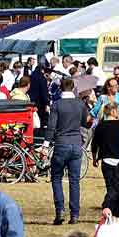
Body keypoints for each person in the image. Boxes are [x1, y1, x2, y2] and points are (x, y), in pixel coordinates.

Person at [45, 78, 90, 225]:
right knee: (74, 180)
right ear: (73, 88)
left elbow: (51, 126)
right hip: (76, 144)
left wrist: (45, 144)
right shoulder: (80, 103)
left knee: (56, 177)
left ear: (60, 89)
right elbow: (85, 122)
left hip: (61, 143)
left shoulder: (57, 104)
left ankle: (60, 210)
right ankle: (75, 214)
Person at [91, 102, 119, 201]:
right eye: (118, 110)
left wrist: (94, 159)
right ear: (113, 111)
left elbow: (94, 145)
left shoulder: (100, 126)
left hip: (106, 160)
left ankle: (110, 206)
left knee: (110, 186)